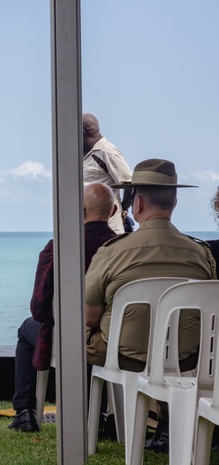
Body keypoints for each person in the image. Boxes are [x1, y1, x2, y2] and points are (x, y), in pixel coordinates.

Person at [85, 159, 216, 450]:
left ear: (138, 204)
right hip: (186, 357)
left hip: (123, 355)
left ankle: (87, 420)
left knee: (79, 334)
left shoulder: (111, 253)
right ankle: (167, 425)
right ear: (175, 203)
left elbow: (89, 317)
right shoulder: (200, 253)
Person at [8, 183, 117, 432]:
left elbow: (39, 308)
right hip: (113, 339)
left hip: (66, 339)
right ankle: (98, 413)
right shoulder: (121, 249)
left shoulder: (60, 246)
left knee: (27, 329)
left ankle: (24, 411)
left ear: (79, 211)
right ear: (112, 212)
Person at [82, 112, 133, 234]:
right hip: (85, 227)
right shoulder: (81, 152)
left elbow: (129, 183)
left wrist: (123, 209)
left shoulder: (107, 152)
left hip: (108, 228)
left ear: (82, 133)